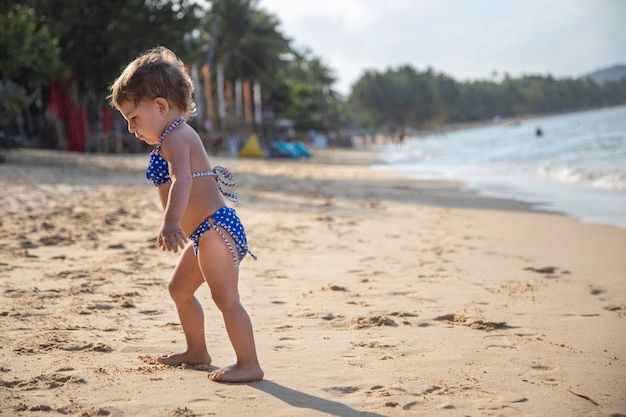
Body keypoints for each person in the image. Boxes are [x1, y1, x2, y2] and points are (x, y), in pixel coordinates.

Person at [108, 47, 263, 383]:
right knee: (180, 289)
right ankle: (197, 351)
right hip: (203, 233)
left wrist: (170, 221)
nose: (132, 128)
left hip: (214, 229)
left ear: (161, 106)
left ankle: (249, 363)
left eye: (134, 118)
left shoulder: (177, 137)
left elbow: (183, 179)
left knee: (226, 298)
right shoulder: (170, 137)